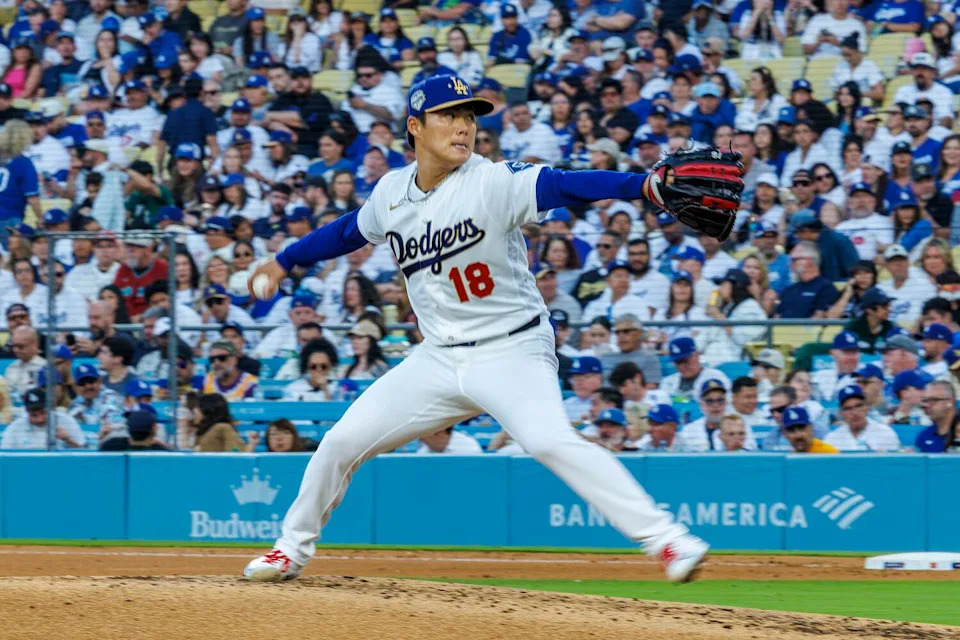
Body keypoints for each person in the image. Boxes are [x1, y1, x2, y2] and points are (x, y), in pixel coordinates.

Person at [244, 74, 717, 583]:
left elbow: (563, 183)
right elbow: (346, 231)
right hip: (438, 358)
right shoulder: (391, 194)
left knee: (550, 442)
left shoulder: (492, 181)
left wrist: (641, 185)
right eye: (449, 115)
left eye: (469, 116)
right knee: (339, 443)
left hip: (511, 350)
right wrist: (284, 260)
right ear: (415, 127)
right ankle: (289, 549)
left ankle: (669, 541)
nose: (464, 126)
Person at [0, 387, 85, 450]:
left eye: (43, 413)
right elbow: (5, 456)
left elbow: (84, 453)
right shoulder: (16, 427)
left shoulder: (66, 421)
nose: (39, 419)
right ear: (27, 411)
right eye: (34, 415)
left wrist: (68, 440)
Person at [825, 384, 900, 451]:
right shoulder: (832, 439)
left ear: (867, 407)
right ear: (841, 413)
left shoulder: (885, 434)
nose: (854, 413)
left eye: (858, 406)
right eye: (848, 408)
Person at [776, 240, 840, 318]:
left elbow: (819, 317)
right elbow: (777, 317)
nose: (790, 264)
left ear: (809, 261)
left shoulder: (825, 288)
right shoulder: (788, 290)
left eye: (794, 260)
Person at [659, 336, 730, 401]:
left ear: (697, 356)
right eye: (677, 362)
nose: (681, 366)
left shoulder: (716, 377)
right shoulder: (667, 382)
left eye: (685, 361)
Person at [916, 380, 959, 452]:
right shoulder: (925, 435)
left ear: (950, 402)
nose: (926, 405)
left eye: (932, 400)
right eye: (925, 401)